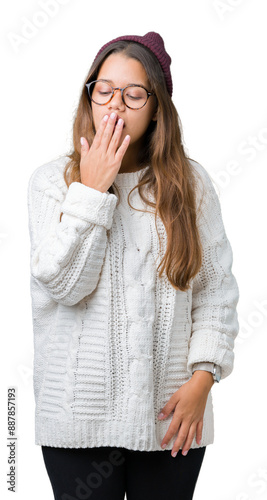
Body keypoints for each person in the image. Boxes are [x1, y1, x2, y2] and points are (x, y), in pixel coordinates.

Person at [27, 31, 239, 500]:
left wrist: (204, 377)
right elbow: (64, 286)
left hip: (171, 416)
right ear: (89, 93)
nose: (114, 106)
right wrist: (92, 189)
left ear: (157, 106)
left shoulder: (191, 184)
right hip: (77, 422)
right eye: (104, 90)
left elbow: (215, 291)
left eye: (133, 94)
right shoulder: (51, 183)